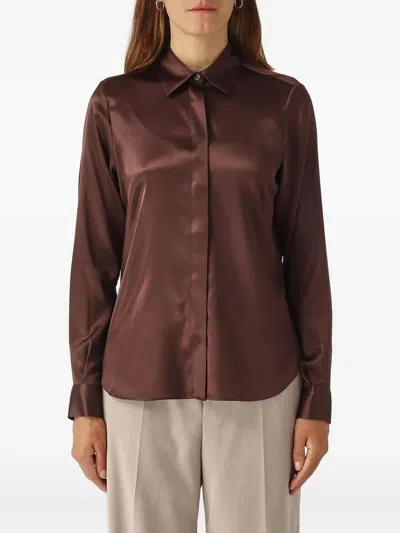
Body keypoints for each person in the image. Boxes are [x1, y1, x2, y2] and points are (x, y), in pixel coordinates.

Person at [68, 1, 333, 532]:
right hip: (140, 382)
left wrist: (316, 398)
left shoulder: (284, 104)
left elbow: (307, 259)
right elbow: (93, 262)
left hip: (260, 382)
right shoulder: (114, 106)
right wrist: (85, 401)